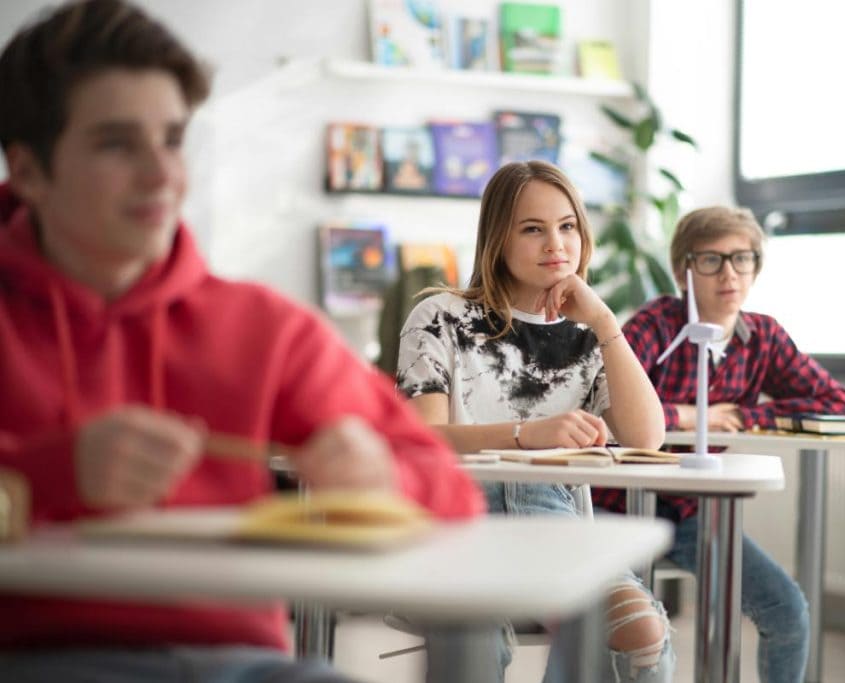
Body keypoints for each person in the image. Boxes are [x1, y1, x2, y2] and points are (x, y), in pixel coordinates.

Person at [0, 1, 483, 681]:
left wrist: (385, 478)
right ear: (27, 171)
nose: (160, 174)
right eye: (116, 143)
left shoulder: (264, 328)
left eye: (171, 139)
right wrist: (56, 471)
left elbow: (451, 491)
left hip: (241, 664)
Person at [395, 160, 675, 683]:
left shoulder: (588, 331)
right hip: (459, 519)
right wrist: (527, 435)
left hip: (554, 520)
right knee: (472, 640)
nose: (556, 244)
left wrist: (605, 321)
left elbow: (648, 437)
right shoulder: (441, 315)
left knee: (641, 633)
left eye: (567, 226)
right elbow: (421, 438)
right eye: (533, 229)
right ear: (498, 239)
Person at [592, 205, 845, 683]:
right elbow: (603, 406)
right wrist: (694, 415)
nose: (729, 274)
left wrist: (747, 416)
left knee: (788, 612)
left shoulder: (764, 336)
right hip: (614, 508)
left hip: (692, 513)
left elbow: (836, 402)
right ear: (683, 270)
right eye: (711, 260)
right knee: (625, 630)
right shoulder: (656, 323)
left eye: (743, 259)